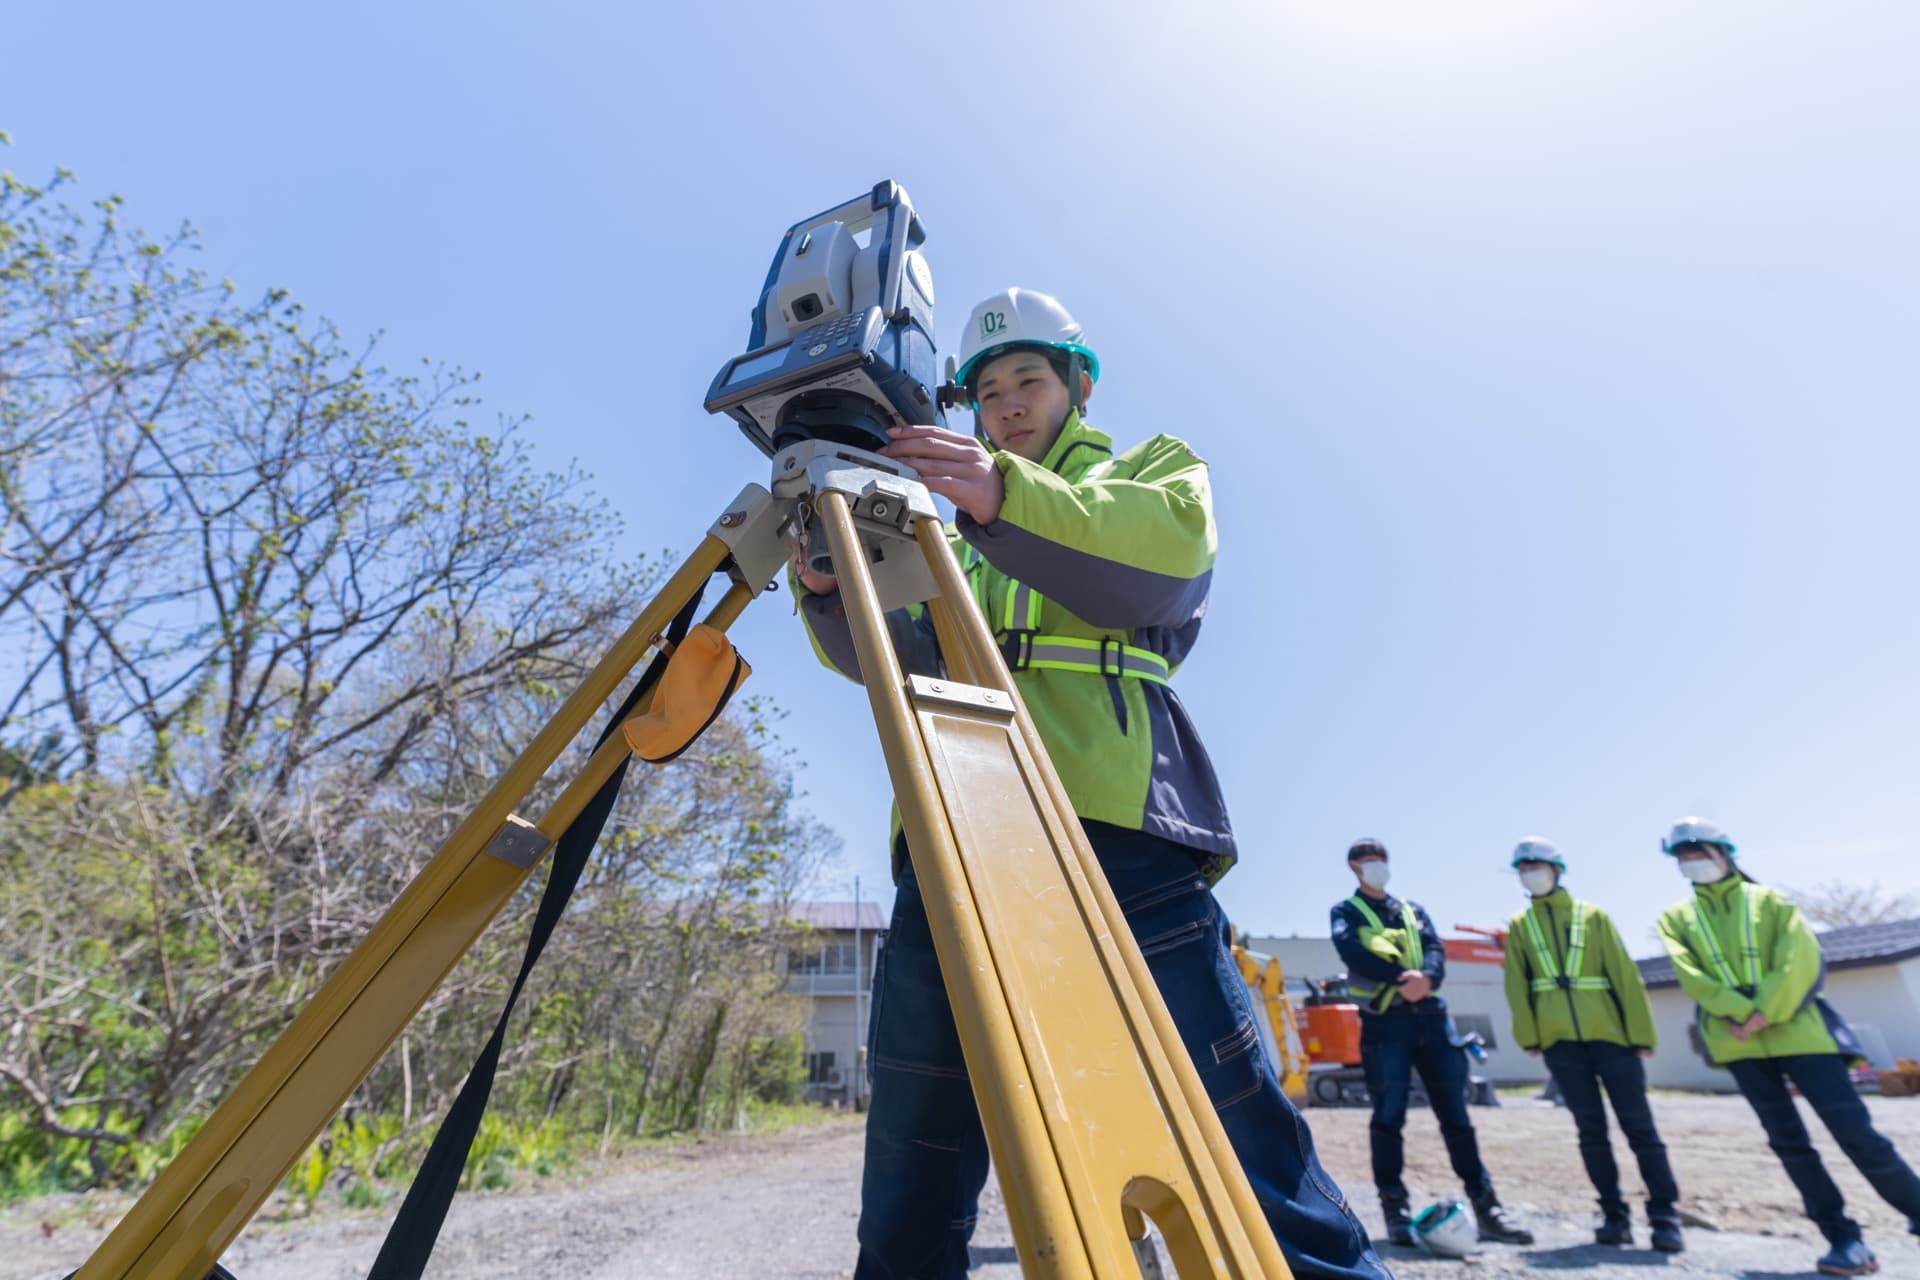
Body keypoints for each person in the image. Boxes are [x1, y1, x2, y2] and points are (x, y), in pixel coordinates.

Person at [792, 287, 1389, 1279]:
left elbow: (1167, 551)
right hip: (956, 836)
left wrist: (999, 496)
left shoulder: (1141, 471)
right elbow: (894, 654)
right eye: (986, 391)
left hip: (1120, 828)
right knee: (917, 1137)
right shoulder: (949, 534)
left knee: (1229, 1116)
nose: (1008, 403)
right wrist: (827, 586)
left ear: (1076, 384)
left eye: (1027, 379)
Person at [1657, 817, 1920, 1277]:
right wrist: (1740, 1012)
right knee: (1789, 1144)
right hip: (1737, 1042)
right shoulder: (1675, 919)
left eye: (1700, 852)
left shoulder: (1771, 901)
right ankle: (1844, 1239)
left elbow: (1798, 960)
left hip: (1802, 1034)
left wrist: (1764, 1011)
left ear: (1725, 852)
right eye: (1684, 856)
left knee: (1857, 1134)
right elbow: (1690, 974)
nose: (1692, 862)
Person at [1330, 839, 1534, 1248]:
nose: (1378, 867)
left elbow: (1435, 949)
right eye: (1369, 861)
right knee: (1388, 1118)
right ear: (1354, 867)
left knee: (1456, 1117)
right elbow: (1353, 951)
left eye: (1382, 860)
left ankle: (1486, 1206)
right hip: (1385, 1025)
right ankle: (1395, 1210)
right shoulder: (1346, 912)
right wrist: (1402, 981)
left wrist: (1428, 979)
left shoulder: (1412, 910)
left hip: (1432, 1021)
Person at [1501, 837, 1682, 1252]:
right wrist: (1531, 1036)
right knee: (1591, 1132)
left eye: (1538, 865)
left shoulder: (1593, 916)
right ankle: (1614, 1216)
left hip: (1613, 1040)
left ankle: (1664, 1217)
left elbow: (1624, 976)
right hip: (1561, 1045)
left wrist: (1640, 1034)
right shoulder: (1520, 926)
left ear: (1557, 870)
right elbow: (1517, 984)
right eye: (1524, 868)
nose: (1531, 873)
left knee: (1641, 1129)